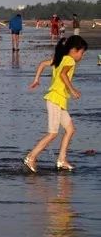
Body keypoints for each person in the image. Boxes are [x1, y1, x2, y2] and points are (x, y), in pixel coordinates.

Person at [23, 36, 88, 173]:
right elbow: (63, 75)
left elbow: (42, 64)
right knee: (52, 133)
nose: (82, 56)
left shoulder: (60, 58)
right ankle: (31, 157)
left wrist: (36, 80)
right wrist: (72, 90)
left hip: (58, 100)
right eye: (82, 53)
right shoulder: (69, 60)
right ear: (74, 50)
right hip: (55, 100)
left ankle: (62, 160)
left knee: (70, 129)